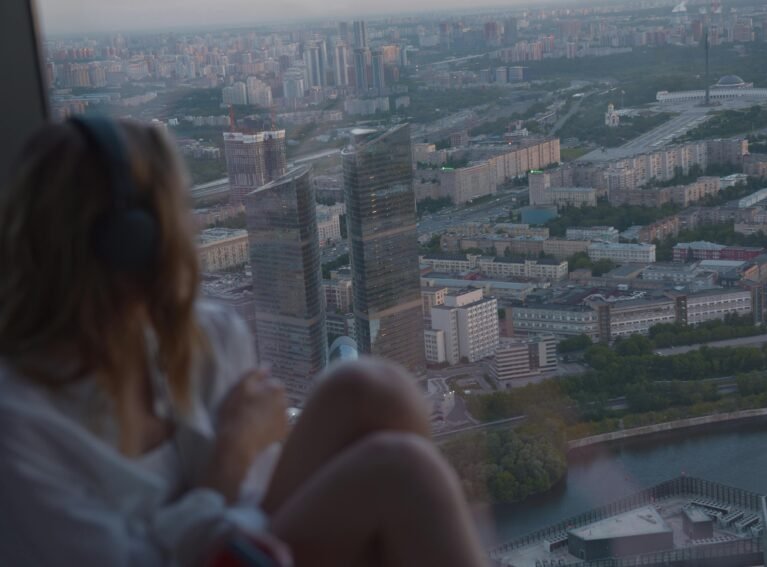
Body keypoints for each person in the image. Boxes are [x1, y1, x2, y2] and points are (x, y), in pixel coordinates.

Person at [0, 117, 488, 567]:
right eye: (180, 212)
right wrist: (228, 460)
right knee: (402, 473)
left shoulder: (207, 339)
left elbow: (250, 509)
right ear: (135, 243)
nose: (190, 229)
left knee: (374, 388)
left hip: (234, 547)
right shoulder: (18, 424)